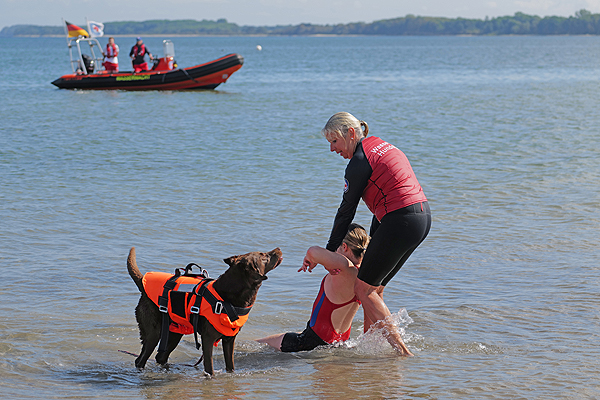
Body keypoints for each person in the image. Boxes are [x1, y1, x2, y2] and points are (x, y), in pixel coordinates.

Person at [322, 112, 431, 357]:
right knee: (373, 286)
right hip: (421, 216)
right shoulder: (381, 145)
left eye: (335, 141)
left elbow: (346, 211)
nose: (332, 149)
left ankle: (403, 353)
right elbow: (386, 198)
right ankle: (368, 344)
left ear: (351, 133)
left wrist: (328, 252)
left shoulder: (359, 162)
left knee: (364, 289)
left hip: (401, 220)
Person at [256, 224, 370, 352]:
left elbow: (313, 251)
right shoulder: (366, 276)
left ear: (344, 247)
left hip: (310, 342)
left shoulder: (345, 268)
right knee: (285, 336)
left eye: (337, 246)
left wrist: (310, 258)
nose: (334, 251)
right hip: (341, 341)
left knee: (258, 345)